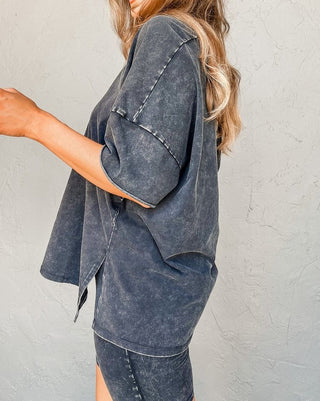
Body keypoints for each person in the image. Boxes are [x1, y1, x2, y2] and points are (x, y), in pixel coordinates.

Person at [0, 0, 242, 400]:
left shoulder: (165, 35)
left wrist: (33, 122)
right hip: (141, 295)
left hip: (140, 297)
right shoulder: (189, 43)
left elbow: (138, 175)